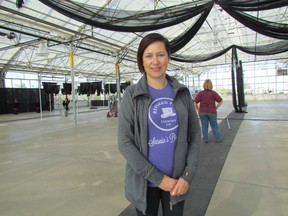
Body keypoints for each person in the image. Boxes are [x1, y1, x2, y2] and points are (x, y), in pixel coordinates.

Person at [118, 33, 201, 216]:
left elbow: (195, 134)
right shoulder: (131, 95)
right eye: (149, 56)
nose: (155, 61)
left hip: (178, 182)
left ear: (168, 57)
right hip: (145, 183)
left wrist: (188, 175)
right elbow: (124, 143)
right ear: (142, 60)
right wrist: (159, 179)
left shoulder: (182, 93)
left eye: (160, 54)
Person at [193, 79, 223, 143]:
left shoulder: (201, 93)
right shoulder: (213, 93)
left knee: (204, 126)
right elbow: (221, 101)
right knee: (214, 126)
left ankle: (205, 139)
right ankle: (218, 138)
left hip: (202, 112)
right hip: (212, 112)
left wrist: (198, 109)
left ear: (204, 85)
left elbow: (195, 102)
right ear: (211, 85)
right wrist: (216, 107)